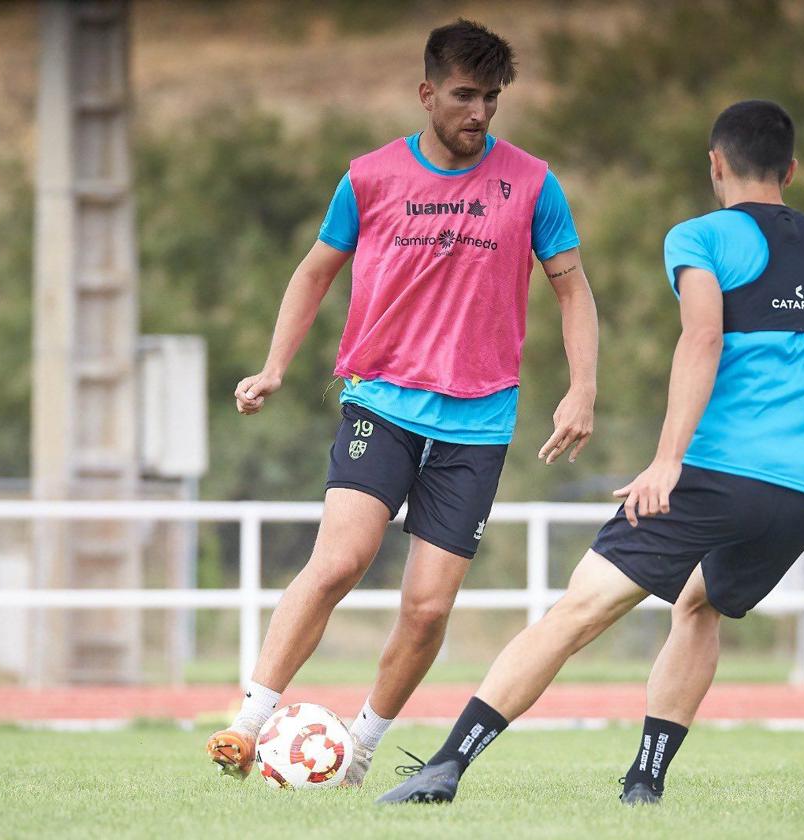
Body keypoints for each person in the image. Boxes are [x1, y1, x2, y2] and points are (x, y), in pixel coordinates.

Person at [378, 99, 804, 806]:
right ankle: (645, 781)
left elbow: (701, 338)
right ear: (791, 171)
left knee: (577, 611)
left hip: (716, 473)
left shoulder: (701, 237)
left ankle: (445, 767)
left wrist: (668, 459)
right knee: (699, 607)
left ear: (716, 164)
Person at [206, 19, 598, 787]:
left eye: (490, 97)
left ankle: (358, 753)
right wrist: (275, 365)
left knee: (425, 611)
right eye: (462, 95)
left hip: (479, 423)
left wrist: (582, 388)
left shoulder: (532, 184)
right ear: (426, 93)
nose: (478, 112)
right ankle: (247, 724)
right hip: (381, 402)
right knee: (340, 561)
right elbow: (314, 270)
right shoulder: (370, 177)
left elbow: (573, 288)